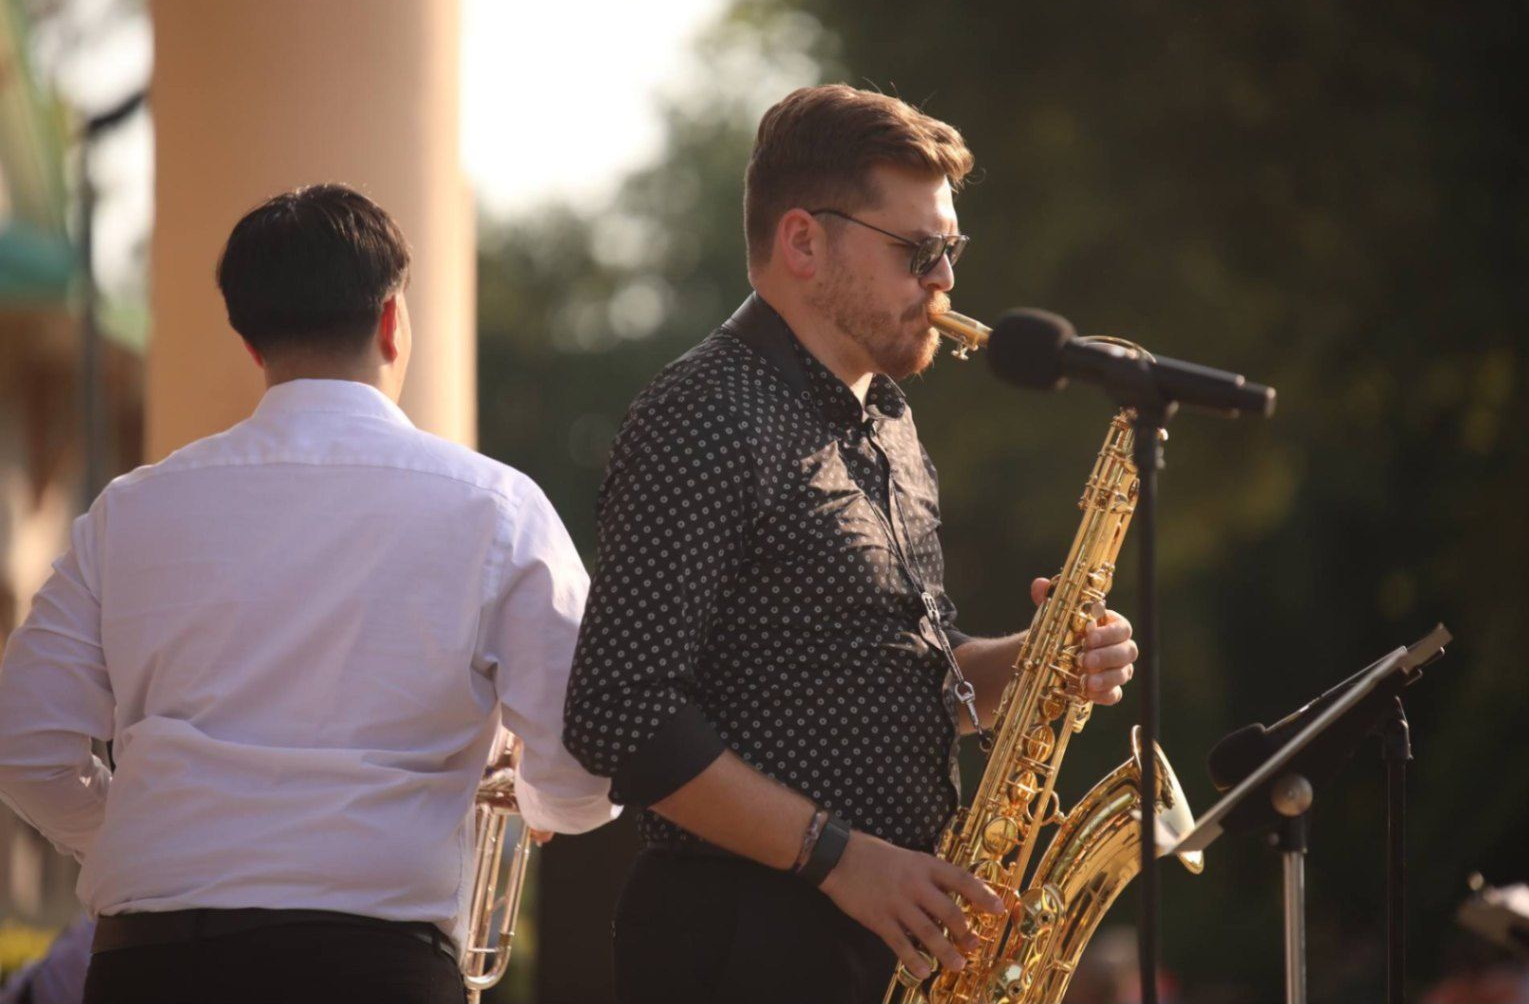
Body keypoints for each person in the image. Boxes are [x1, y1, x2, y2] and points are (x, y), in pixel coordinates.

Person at [564, 85, 1140, 1004]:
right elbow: (619, 714)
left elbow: (910, 677)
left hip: (871, 932)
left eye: (951, 251)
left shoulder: (891, 422)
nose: (944, 281)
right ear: (802, 241)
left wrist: (1031, 665)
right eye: (919, 252)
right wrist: (839, 858)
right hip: (742, 936)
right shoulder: (701, 414)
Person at [0, 184, 617, 1004]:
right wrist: (535, 798)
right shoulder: (496, 507)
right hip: (370, 967)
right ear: (393, 319)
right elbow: (590, 761)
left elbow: (22, 739)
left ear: (251, 342)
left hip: (149, 963)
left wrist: (144, 834)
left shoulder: (131, 510)